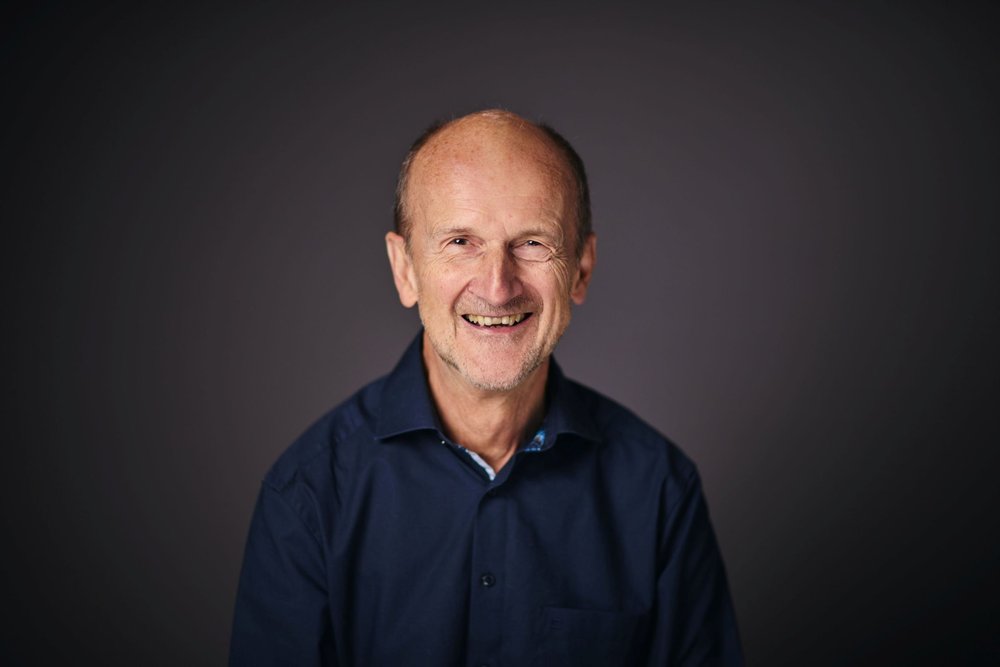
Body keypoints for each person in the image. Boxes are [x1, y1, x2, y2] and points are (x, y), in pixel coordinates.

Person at [229, 109, 743, 666]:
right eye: (459, 241)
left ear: (581, 270)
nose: (498, 288)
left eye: (532, 243)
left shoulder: (659, 490)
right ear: (405, 270)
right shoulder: (308, 495)